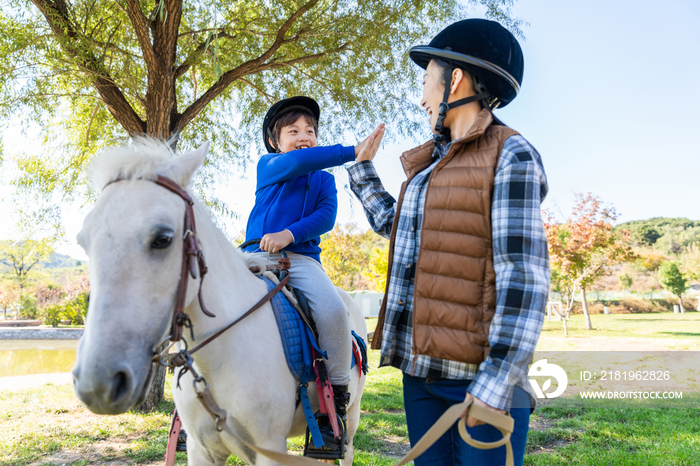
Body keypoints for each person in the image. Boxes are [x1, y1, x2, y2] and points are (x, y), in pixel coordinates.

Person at [348, 19, 550, 466]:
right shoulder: (430, 166)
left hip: (480, 382)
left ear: (454, 79)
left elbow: (525, 281)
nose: (421, 97)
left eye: (426, 81)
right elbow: (396, 228)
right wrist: (362, 171)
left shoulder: (511, 155)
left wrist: (496, 384)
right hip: (419, 376)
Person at [242, 96, 380, 459]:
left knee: (334, 312)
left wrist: (289, 234)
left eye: (310, 131)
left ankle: (332, 403)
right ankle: (193, 398)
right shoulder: (270, 165)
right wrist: (352, 150)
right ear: (276, 141)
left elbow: (325, 218)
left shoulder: (323, 179)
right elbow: (300, 160)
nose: (304, 136)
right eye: (294, 131)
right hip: (254, 255)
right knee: (209, 293)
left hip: (300, 260)